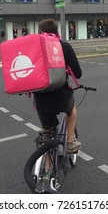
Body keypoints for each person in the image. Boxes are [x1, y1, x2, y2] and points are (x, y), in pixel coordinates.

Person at [33, 19, 82, 153]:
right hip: (61, 95)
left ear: (39, 33)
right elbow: (78, 73)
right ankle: (70, 142)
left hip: (40, 98)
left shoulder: (34, 48)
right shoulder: (64, 46)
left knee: (48, 133)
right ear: (57, 32)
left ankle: (46, 170)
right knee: (72, 109)